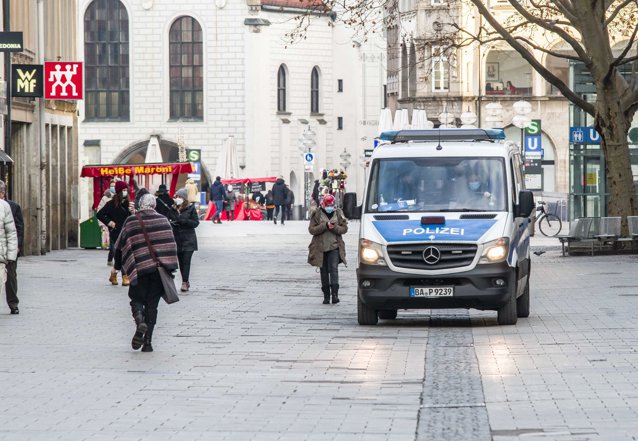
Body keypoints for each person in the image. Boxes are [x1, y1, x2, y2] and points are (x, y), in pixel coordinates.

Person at [114, 194, 178, 352]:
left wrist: (118, 266)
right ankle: (148, 343)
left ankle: (139, 320)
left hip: (139, 269)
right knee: (152, 305)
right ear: (154, 206)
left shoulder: (131, 221)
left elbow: (120, 245)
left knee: (136, 298)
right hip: (158, 271)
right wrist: (171, 267)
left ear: (140, 205)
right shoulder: (163, 220)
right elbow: (170, 244)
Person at [307, 194, 347, 304]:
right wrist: (325, 226)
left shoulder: (338, 213)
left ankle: (335, 295)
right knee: (323, 271)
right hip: (320, 248)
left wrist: (334, 228)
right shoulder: (317, 213)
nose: (330, 207)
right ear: (323, 205)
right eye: (328, 205)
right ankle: (326, 296)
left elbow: (344, 229)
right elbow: (311, 230)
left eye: (331, 205)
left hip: (334, 246)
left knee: (333, 270)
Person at [97, 180, 132, 286]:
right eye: (123, 190)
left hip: (127, 232)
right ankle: (125, 276)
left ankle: (114, 273)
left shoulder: (128, 203)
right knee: (120, 253)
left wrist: (133, 211)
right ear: (119, 191)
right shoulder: (111, 204)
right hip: (116, 232)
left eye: (126, 190)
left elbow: (132, 217)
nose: (125, 192)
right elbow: (99, 214)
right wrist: (110, 223)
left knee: (122, 254)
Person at [171, 188, 199, 292]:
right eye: (177, 197)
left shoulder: (190, 208)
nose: (178, 199)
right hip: (177, 239)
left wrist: (186, 221)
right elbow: (169, 219)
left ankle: (184, 282)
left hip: (189, 239)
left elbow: (196, 223)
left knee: (186, 261)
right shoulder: (173, 208)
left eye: (180, 197)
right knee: (181, 262)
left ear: (184, 198)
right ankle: (185, 281)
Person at [0, 181, 20, 315]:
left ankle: (13, 303)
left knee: (10, 278)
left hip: (5, 251)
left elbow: (15, 231)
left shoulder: (9, 206)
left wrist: (14, 252)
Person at [97, 189, 113, 256]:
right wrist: (101, 223)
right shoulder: (105, 198)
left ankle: (111, 245)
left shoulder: (117, 197)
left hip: (113, 220)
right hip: (106, 220)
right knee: (105, 233)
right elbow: (99, 210)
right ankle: (106, 245)